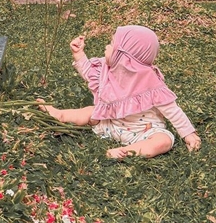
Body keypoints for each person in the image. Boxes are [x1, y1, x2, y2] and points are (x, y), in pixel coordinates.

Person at [39, 26, 202, 159]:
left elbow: (173, 111)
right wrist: (78, 54)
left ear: (125, 56)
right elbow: (89, 74)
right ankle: (59, 115)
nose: (106, 46)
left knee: (164, 141)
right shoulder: (108, 69)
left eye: (111, 44)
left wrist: (189, 134)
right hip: (111, 125)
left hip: (144, 132)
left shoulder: (152, 83)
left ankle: (127, 151)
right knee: (90, 112)